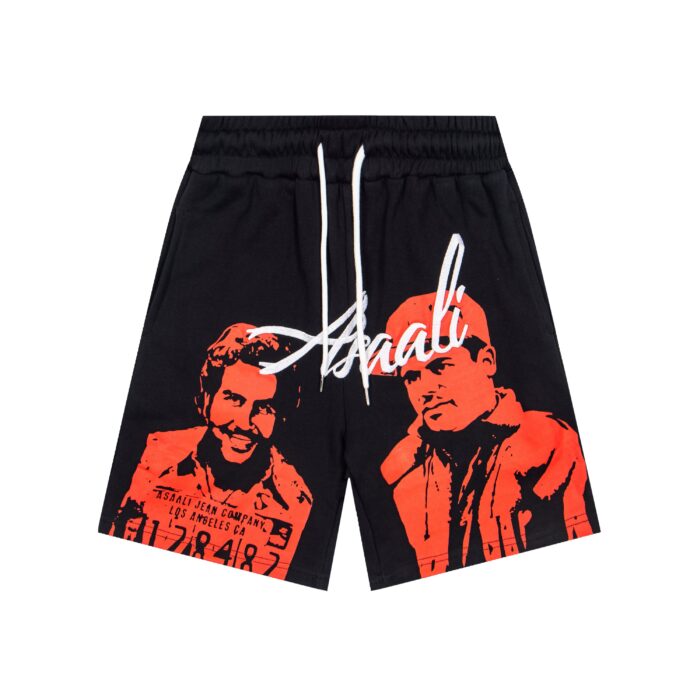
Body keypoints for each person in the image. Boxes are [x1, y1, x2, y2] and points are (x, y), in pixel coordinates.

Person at [376, 292, 593, 579]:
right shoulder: (403, 477)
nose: (425, 390)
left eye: (440, 367)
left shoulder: (549, 444)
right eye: (411, 377)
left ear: (487, 361)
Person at [110, 323, 313, 581]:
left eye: (264, 407)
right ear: (207, 399)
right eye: (234, 399)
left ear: (281, 416)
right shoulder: (152, 453)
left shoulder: (295, 501)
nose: (244, 423)